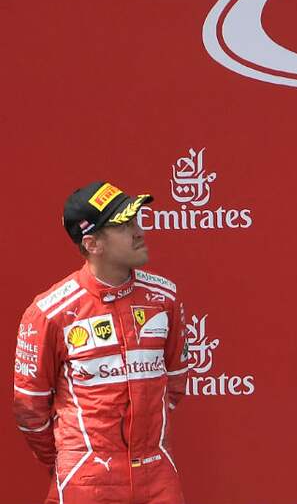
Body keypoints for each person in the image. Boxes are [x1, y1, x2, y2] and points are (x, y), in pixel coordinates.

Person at [13, 181, 189, 504]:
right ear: (92, 244)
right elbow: (29, 410)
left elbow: (175, 381)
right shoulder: (49, 312)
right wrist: (76, 459)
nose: (139, 232)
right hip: (87, 480)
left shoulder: (164, 298)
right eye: (124, 225)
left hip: (157, 475)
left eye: (137, 221)